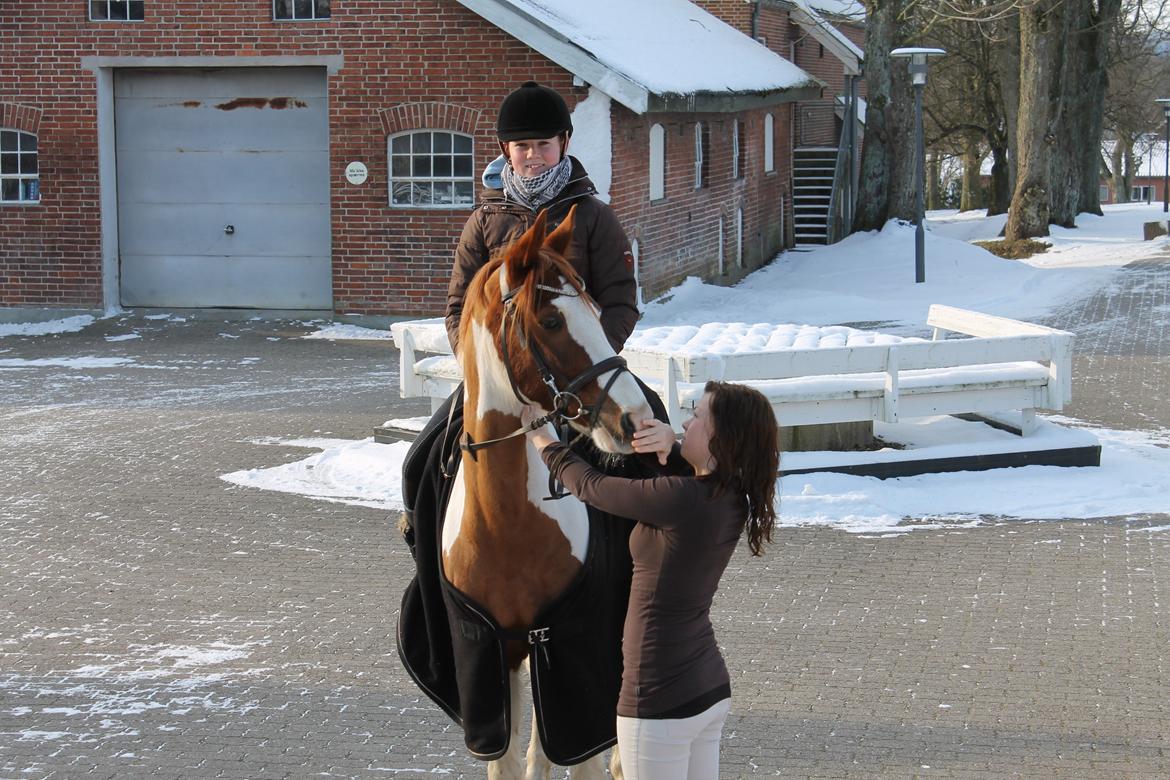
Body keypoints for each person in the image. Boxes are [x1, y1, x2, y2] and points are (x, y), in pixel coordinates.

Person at [521, 381, 781, 780]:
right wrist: (670, 449)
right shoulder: (730, 495)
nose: (684, 424)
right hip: (705, 692)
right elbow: (693, 483)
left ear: (720, 437)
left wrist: (543, 440)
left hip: (659, 700)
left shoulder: (681, 498)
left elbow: (592, 487)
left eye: (696, 417)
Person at [445, 80, 639, 354]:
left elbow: (620, 302)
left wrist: (589, 361)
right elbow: (459, 307)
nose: (533, 155)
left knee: (646, 399)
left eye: (544, 144)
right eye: (522, 145)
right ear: (506, 149)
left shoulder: (594, 216)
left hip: (576, 372)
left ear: (564, 142)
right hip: (505, 372)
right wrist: (475, 362)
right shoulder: (484, 220)